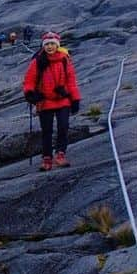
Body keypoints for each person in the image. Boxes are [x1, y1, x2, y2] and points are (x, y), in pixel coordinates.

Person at [23, 32, 82, 171]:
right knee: (46, 131)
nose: (50, 47)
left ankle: (60, 154)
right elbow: (29, 79)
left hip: (63, 99)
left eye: (52, 44)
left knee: (63, 126)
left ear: (57, 45)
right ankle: (47, 158)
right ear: (43, 46)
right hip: (45, 100)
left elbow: (71, 81)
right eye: (47, 44)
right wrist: (30, 93)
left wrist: (75, 99)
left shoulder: (64, 59)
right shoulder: (38, 61)